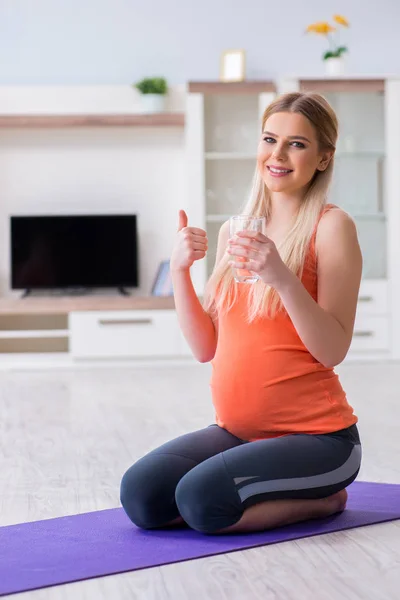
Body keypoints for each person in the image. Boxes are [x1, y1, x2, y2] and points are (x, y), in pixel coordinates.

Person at [120, 91, 363, 535]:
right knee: (141, 496)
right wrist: (179, 270)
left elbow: (332, 350)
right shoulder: (237, 229)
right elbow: (204, 347)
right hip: (238, 432)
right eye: (270, 139)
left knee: (201, 502)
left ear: (323, 158)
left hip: (320, 440)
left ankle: (325, 501)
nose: (278, 154)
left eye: (297, 144)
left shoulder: (332, 227)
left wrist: (282, 277)